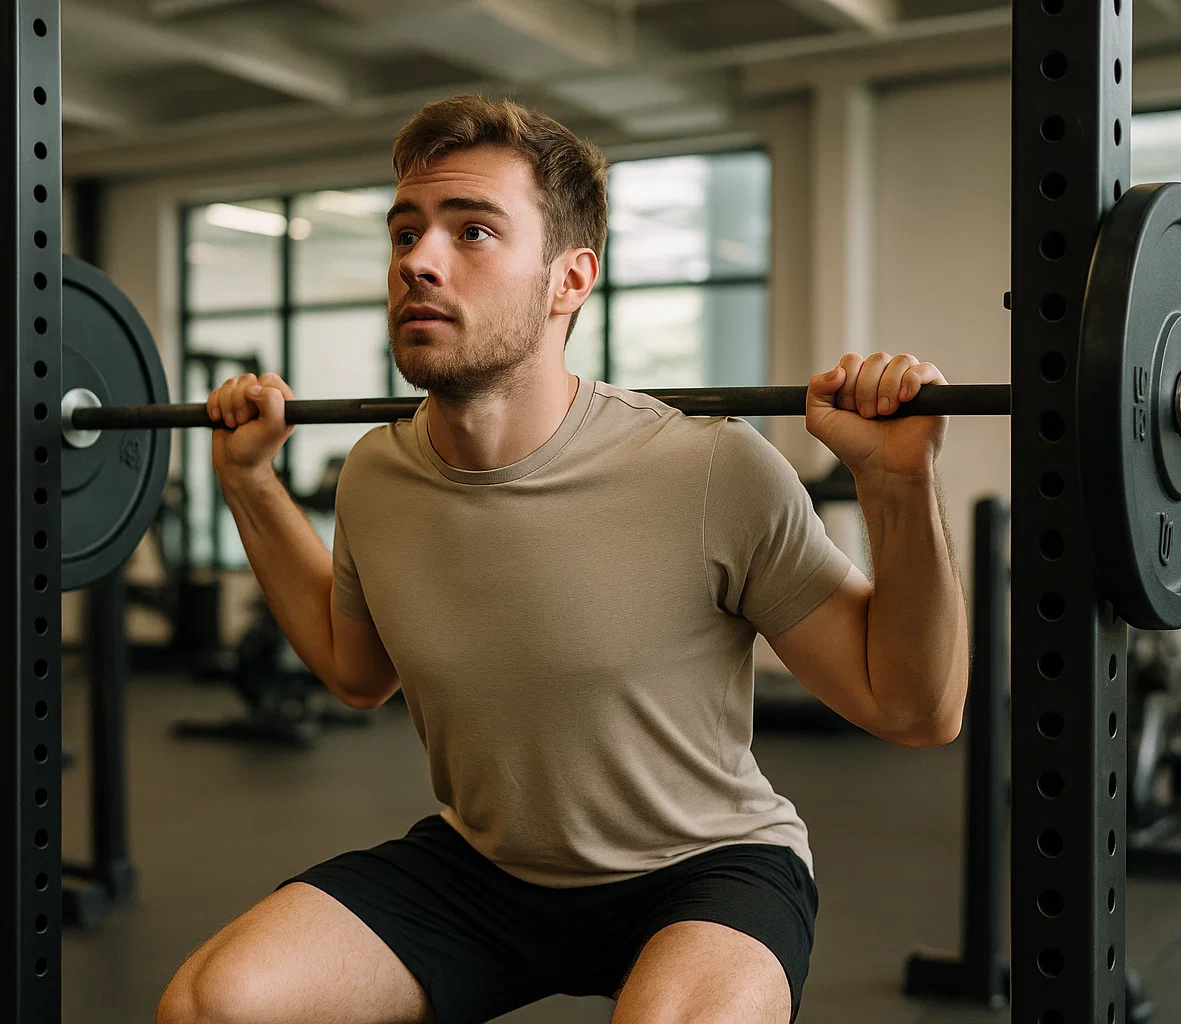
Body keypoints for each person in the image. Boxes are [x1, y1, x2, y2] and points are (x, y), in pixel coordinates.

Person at [158, 95, 968, 1024]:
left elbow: (916, 710)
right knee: (211, 1005)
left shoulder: (712, 468)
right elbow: (354, 674)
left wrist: (899, 485)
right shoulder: (376, 475)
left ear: (569, 281)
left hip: (702, 869)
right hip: (484, 870)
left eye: (472, 232)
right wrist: (251, 484)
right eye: (406, 231)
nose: (418, 259)